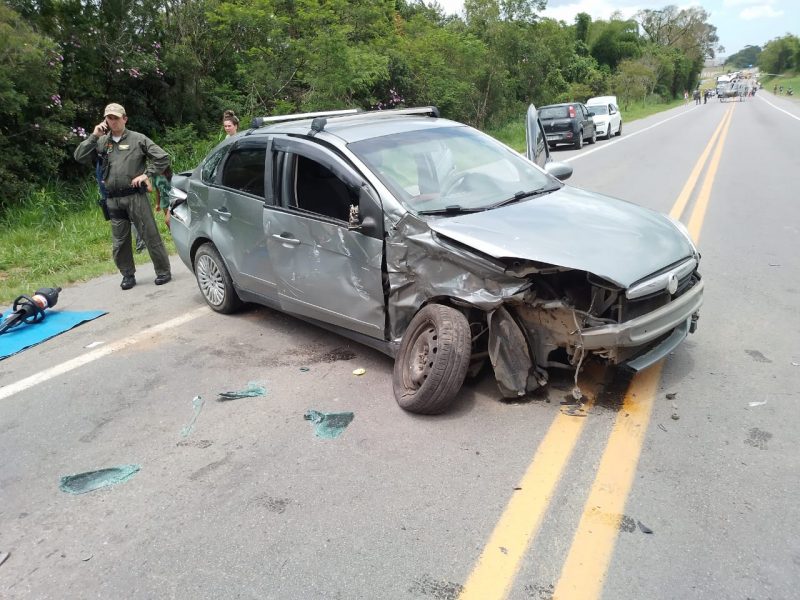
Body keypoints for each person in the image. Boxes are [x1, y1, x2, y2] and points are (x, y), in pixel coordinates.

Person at [74, 103, 172, 290]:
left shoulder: (138, 139)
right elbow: (79, 156)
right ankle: (127, 274)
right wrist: (94, 136)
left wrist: (147, 174)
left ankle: (163, 271)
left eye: (116, 118)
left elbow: (162, 157)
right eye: (109, 118)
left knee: (149, 234)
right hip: (113, 199)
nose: (113, 121)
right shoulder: (102, 141)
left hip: (135, 196)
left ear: (124, 119)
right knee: (119, 240)